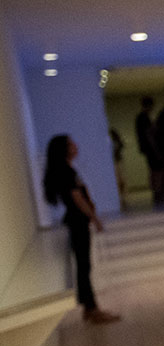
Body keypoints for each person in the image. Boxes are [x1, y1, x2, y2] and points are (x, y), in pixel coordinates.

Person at [42, 134, 120, 324]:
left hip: (77, 221)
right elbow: (77, 198)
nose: (75, 146)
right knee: (84, 266)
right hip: (78, 221)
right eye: (70, 144)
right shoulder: (65, 172)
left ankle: (89, 308)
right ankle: (92, 309)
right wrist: (94, 218)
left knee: (84, 265)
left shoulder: (66, 170)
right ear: (64, 149)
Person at [135, 96, 164, 203]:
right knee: (157, 171)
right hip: (151, 149)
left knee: (153, 171)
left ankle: (156, 192)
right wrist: (156, 149)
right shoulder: (144, 118)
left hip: (147, 149)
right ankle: (158, 192)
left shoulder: (140, 118)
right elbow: (149, 135)